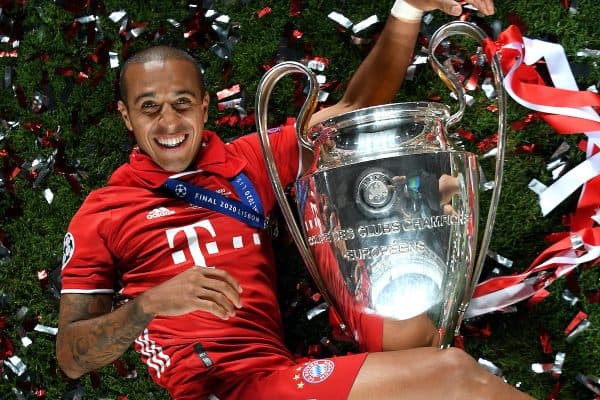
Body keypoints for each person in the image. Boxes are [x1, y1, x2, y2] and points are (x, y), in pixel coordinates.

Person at [56, 0, 535, 399]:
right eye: (149, 108)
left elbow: (351, 112)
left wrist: (408, 9)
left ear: (205, 105)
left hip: (275, 379)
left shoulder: (247, 161)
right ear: (126, 117)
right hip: (217, 391)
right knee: (452, 376)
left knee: (415, 335)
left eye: (182, 103)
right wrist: (148, 306)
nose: (169, 123)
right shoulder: (103, 211)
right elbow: (71, 357)